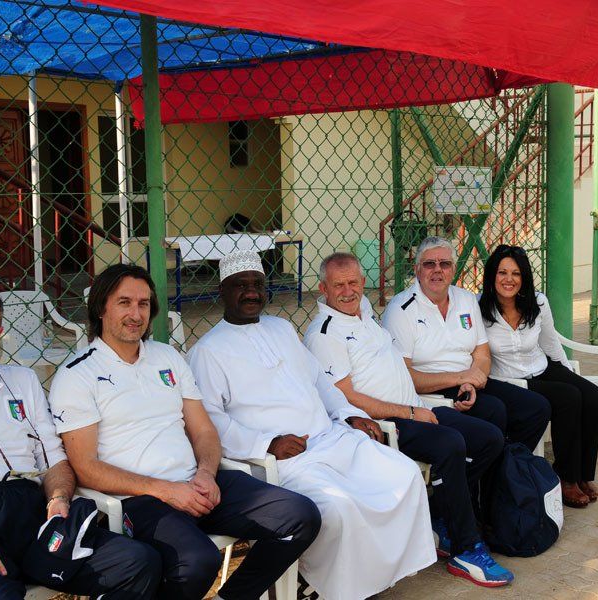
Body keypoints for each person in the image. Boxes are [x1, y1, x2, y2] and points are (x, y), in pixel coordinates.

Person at [48, 264, 321, 600]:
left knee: (300, 516)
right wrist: (166, 491)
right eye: (124, 303)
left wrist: (206, 474)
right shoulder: (77, 374)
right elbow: (85, 466)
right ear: (101, 307)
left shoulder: (168, 357)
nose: (136, 314)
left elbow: (204, 430)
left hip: (198, 482)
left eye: (144, 304)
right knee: (197, 561)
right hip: (139, 500)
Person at [188, 250, 435, 600]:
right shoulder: (207, 351)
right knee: (338, 507)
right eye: (240, 285)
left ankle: (374, 578)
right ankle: (325, 586)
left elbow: (320, 380)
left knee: (404, 474)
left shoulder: (282, 328)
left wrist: (348, 413)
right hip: (286, 461)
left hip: (333, 438)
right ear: (222, 291)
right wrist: (266, 444)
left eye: (257, 284)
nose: (251, 292)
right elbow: (211, 421)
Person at [0, 284, 161, 599]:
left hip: (32, 518)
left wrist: (58, 498)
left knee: (138, 562)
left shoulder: (22, 380)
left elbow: (54, 460)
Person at [303, 252, 512, 587]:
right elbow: (346, 398)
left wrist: (418, 407)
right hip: (385, 424)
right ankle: (465, 548)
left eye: (353, 282)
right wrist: (410, 413)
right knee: (450, 445)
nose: (347, 291)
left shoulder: (365, 316)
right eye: (338, 285)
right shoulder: (325, 333)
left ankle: (439, 513)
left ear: (363, 282)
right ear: (323, 288)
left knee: (489, 438)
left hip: (415, 406)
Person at [381, 236, 550, 452]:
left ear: (453, 269)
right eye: (429, 264)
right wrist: (462, 377)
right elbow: (403, 376)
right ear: (417, 269)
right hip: (432, 387)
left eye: (445, 264)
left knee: (537, 407)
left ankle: (507, 470)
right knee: (494, 409)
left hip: (470, 380)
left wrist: (473, 380)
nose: (437, 270)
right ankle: (495, 474)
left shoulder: (466, 299)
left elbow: (482, 354)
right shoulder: (401, 309)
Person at [479, 245, 598, 508]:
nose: (509, 279)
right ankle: (566, 478)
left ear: (524, 277)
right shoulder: (478, 308)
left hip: (542, 366)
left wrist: (569, 373)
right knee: (568, 398)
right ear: (492, 275)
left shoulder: (537, 302)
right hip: (511, 378)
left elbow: (550, 344)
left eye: (516, 273)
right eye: (502, 272)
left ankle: (582, 473)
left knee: (592, 396)